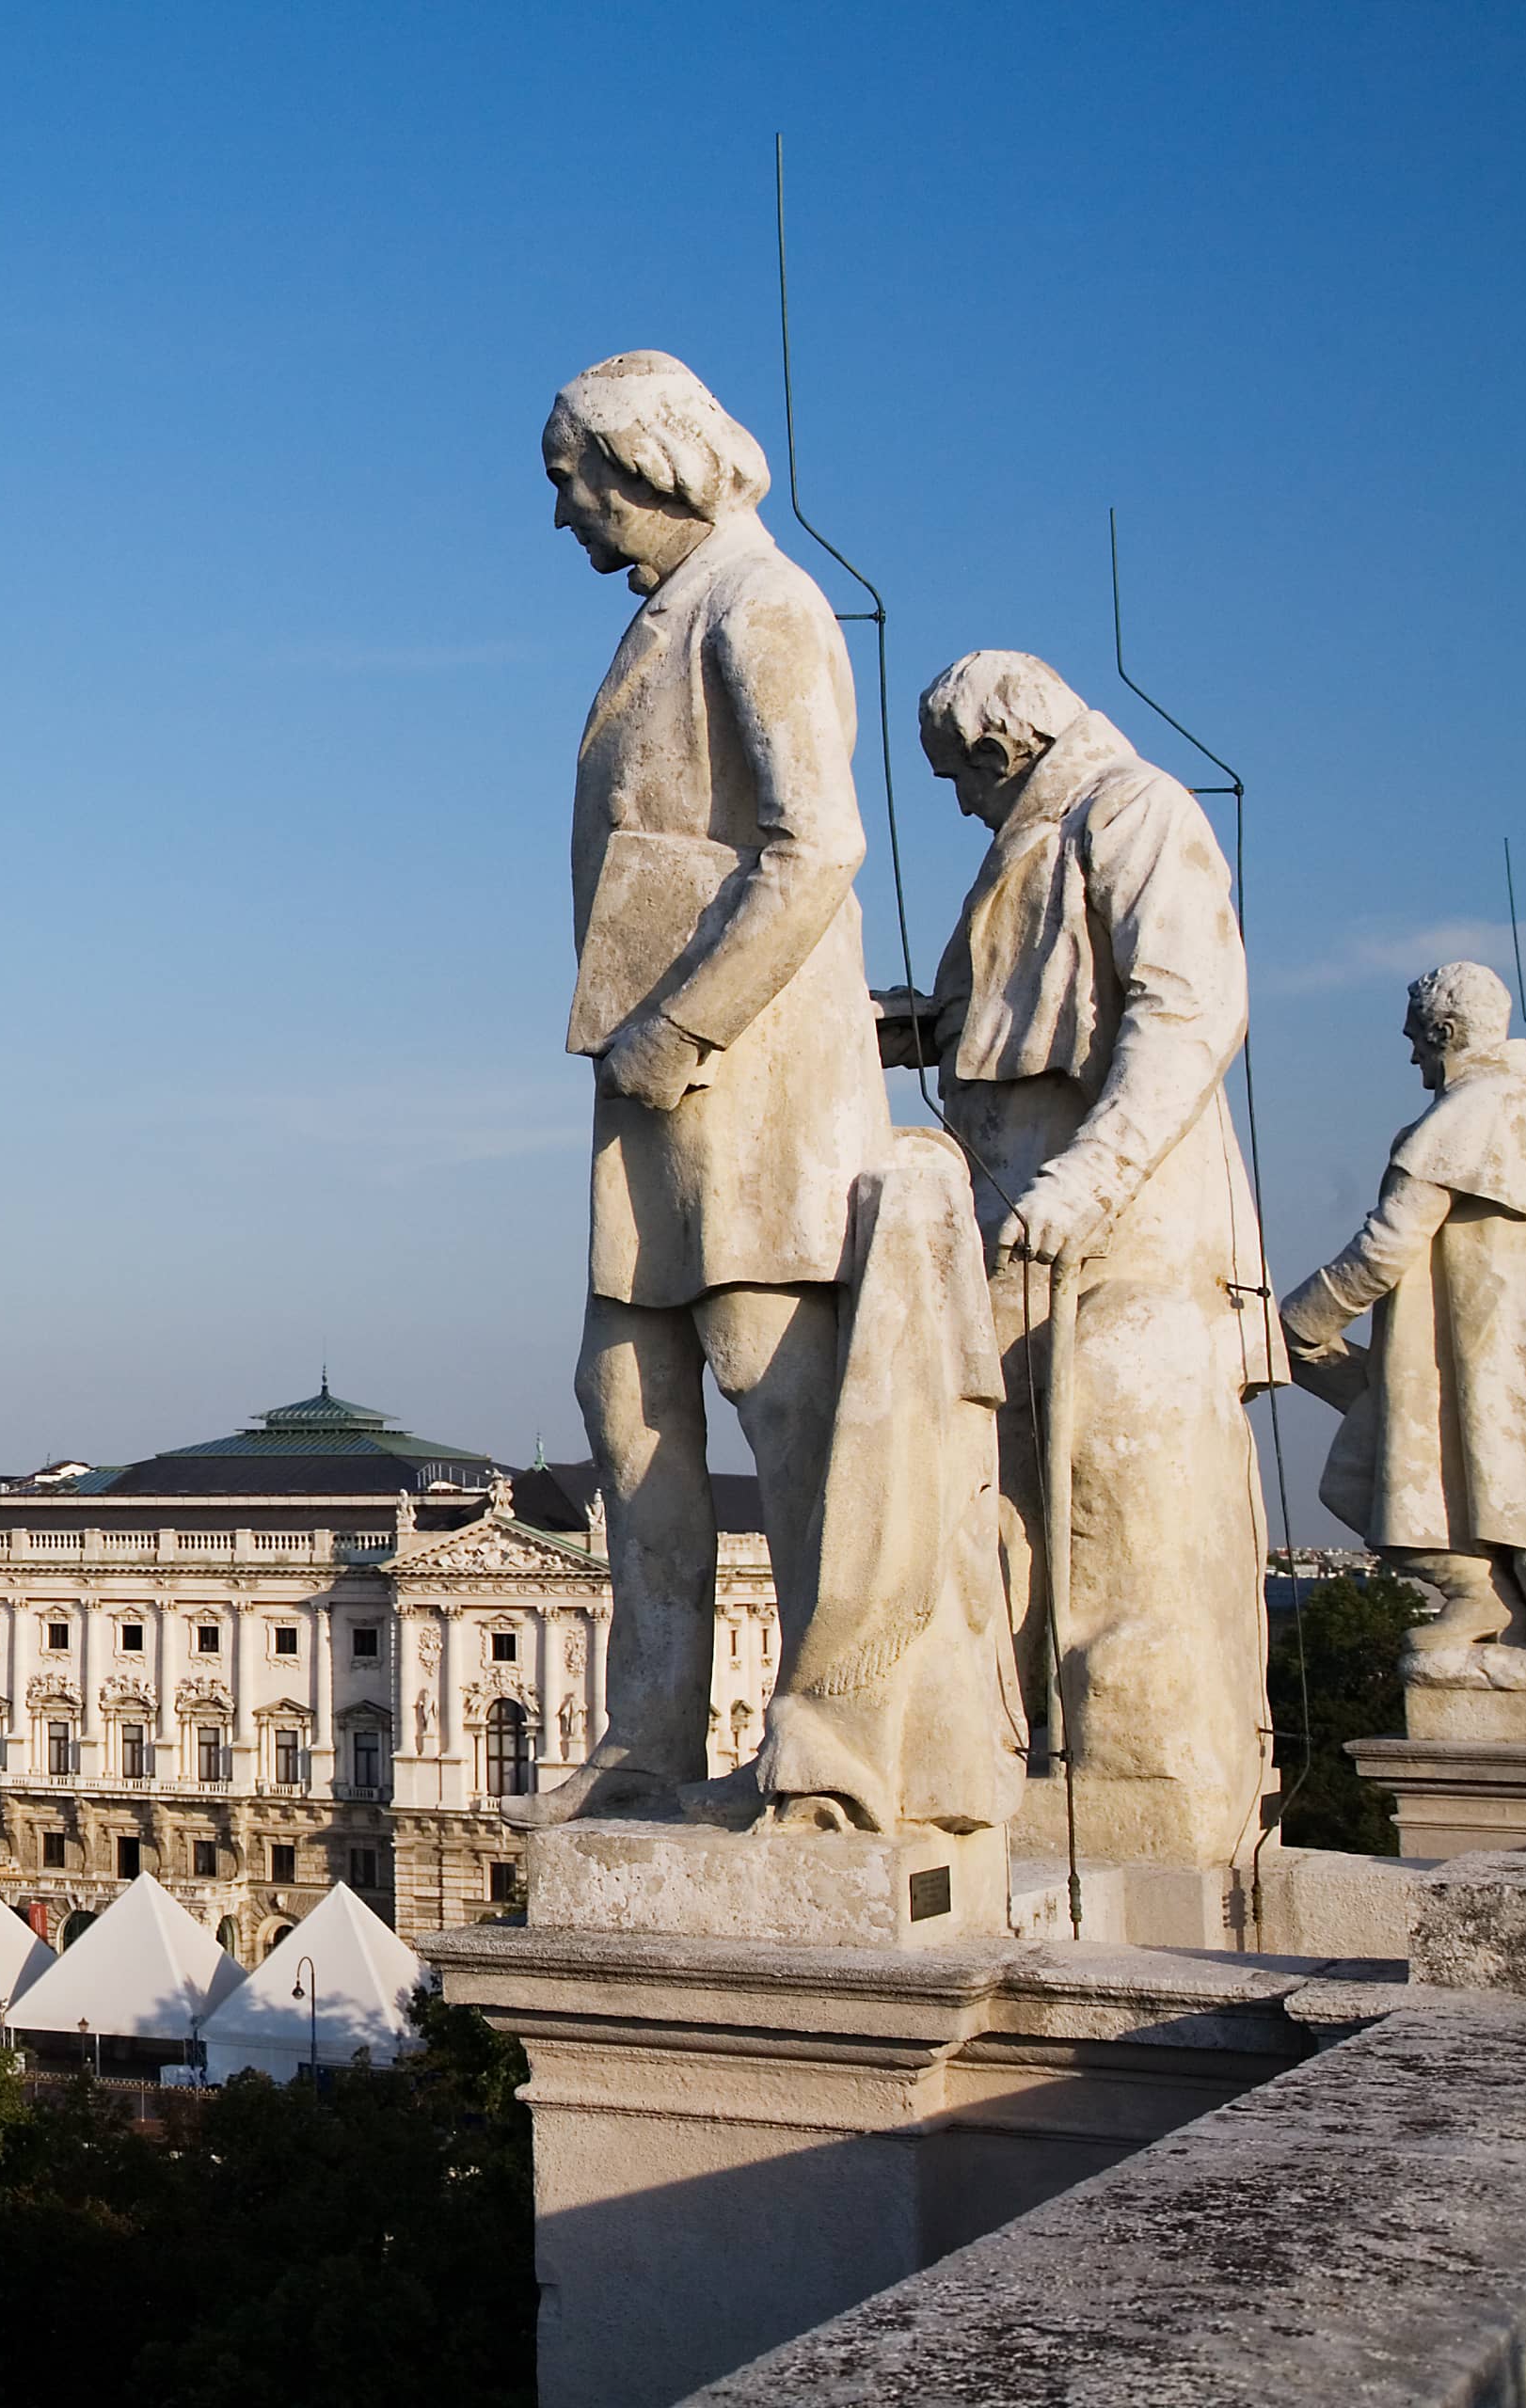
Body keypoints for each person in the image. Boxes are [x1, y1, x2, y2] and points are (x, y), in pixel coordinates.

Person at [510, 351, 888, 1830]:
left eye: (569, 482)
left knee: (780, 1397)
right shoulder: (679, 613)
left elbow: (820, 846)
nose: (564, 520)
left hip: (734, 1075)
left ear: (646, 464)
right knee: (623, 1398)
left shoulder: (761, 602)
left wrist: (681, 1028)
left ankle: (834, 1737)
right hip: (651, 1073)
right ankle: (650, 1740)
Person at [882, 649, 1281, 1867]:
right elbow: (1014, 1012)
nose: (955, 802)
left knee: (1121, 1498)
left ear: (1005, 748)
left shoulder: (1133, 810)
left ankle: (1142, 1769)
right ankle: (1038, 1744)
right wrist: (906, 1025)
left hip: (1117, 1217)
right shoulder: (1043, 834)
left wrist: (1091, 1177)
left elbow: (1190, 1007)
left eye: (957, 776)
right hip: (1021, 1220)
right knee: (1014, 1504)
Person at [1280, 960, 1526, 1654]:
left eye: (1417, 1039)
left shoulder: (1466, 1114)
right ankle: (1488, 1596)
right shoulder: (1523, 1104)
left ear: (1446, 1032)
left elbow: (1386, 1247)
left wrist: (1296, 1322)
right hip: (1495, 1349)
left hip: (1468, 1349)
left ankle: (1477, 1591)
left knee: (1376, 1471)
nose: (1413, 1054)